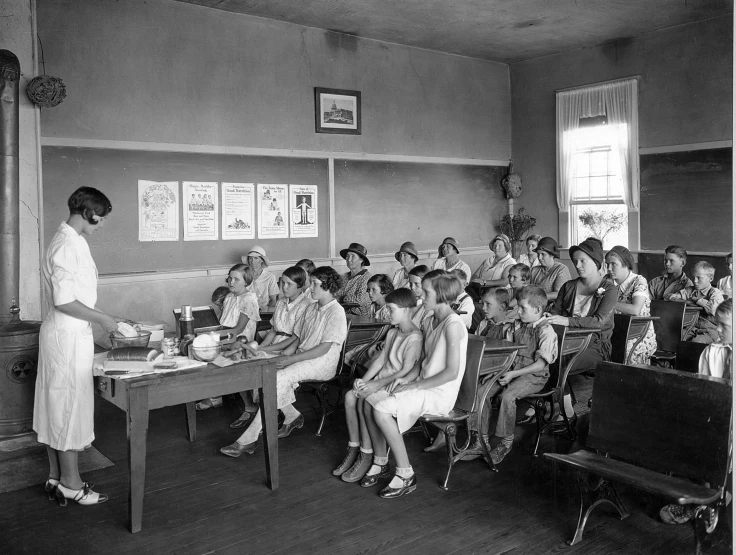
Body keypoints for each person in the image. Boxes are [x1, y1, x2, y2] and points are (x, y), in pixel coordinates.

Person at [34, 186, 131, 506]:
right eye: (100, 218)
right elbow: (65, 301)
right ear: (89, 213)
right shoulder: (66, 245)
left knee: (57, 406)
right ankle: (72, 485)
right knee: (67, 408)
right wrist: (105, 319)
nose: (100, 224)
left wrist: (103, 319)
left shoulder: (71, 241)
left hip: (67, 334)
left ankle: (56, 477)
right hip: (67, 336)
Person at [220, 266, 348, 457]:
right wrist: (276, 354)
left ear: (328, 287)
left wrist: (290, 359)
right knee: (267, 369)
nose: (310, 288)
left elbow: (324, 348)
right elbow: (297, 337)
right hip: (303, 356)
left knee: (278, 378)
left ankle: (249, 439)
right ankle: (291, 415)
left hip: (323, 362)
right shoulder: (312, 307)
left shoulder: (336, 312)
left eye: (315, 284)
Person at [362, 270, 468, 498]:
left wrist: (414, 386)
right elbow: (423, 362)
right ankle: (381, 461)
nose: (420, 296)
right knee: (371, 399)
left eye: (426, 291)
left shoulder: (453, 324)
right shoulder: (430, 319)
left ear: (440, 294)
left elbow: (451, 373)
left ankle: (405, 474)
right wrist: (406, 379)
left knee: (381, 409)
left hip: (439, 392)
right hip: (423, 384)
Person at [333, 289, 423, 483]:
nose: (388, 314)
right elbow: (379, 361)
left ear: (406, 310)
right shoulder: (393, 332)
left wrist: (375, 385)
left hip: (392, 386)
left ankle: (369, 454)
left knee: (364, 399)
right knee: (351, 396)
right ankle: (355, 447)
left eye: (391, 309)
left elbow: (404, 372)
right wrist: (365, 380)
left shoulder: (415, 337)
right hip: (380, 382)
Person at [659, 299, 732, 525]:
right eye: (716, 323)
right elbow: (703, 394)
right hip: (716, 420)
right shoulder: (712, 352)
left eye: (724, 325)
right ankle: (703, 500)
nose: (717, 329)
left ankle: (717, 500)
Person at [477, 285, 558, 464]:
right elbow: (508, 351)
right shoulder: (516, 326)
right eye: (518, 307)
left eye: (522, 308)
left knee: (507, 396)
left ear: (537, 310)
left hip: (533, 376)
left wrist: (513, 374)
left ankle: (506, 442)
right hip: (511, 370)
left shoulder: (546, 331)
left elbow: (540, 365)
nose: (518, 311)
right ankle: (480, 440)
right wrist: (497, 372)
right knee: (482, 391)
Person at [228, 266, 313, 429]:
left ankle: (269, 417)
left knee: (267, 373)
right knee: (249, 362)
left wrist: (264, 350)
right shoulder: (281, 302)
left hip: (292, 348)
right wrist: (260, 348)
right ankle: (272, 412)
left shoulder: (306, 305)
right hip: (275, 344)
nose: (284, 288)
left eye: (289, 284)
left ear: (300, 285)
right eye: (282, 283)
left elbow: (295, 338)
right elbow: (273, 331)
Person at [547, 238, 617, 425]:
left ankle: (566, 412)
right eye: (575, 261)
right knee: (545, 355)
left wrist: (567, 321)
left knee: (558, 361)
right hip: (566, 341)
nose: (577, 265)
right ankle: (551, 403)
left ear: (596, 263)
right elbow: (556, 314)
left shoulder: (609, 288)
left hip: (595, 346)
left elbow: (600, 322)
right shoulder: (569, 286)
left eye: (582, 261)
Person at [197, 263, 261, 411]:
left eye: (236, 279)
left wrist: (215, 338)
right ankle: (214, 396)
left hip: (240, 342)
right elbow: (222, 323)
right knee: (201, 354)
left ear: (246, 281)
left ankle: (249, 406)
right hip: (225, 338)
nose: (231, 282)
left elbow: (239, 329)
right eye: (229, 278)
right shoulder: (229, 297)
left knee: (222, 359)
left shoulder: (249, 299)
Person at [605, 246, 657, 365]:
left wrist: (607, 304)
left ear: (626, 264)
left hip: (638, 335)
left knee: (622, 351)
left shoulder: (639, 281)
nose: (609, 268)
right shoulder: (607, 281)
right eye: (607, 264)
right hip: (615, 330)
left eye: (613, 264)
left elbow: (635, 310)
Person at [668, 261, 724, 344]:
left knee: (696, 342)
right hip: (691, 328)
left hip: (710, 330)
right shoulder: (690, 290)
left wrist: (696, 300)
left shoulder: (715, 293)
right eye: (693, 277)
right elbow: (670, 296)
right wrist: (687, 301)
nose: (695, 281)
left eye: (699, 278)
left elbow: (712, 308)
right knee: (674, 337)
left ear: (711, 278)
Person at [529, 237, 572, 301]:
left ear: (552, 255)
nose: (539, 258)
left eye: (543, 254)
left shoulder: (561, 269)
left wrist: (534, 296)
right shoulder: (534, 270)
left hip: (554, 308)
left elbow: (559, 294)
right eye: (538, 254)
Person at [336, 242, 373, 316]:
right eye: (347, 256)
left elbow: (360, 300)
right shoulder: (343, 277)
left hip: (359, 318)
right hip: (342, 315)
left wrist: (342, 298)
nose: (349, 259)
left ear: (361, 260)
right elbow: (335, 294)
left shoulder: (367, 277)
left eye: (353, 256)